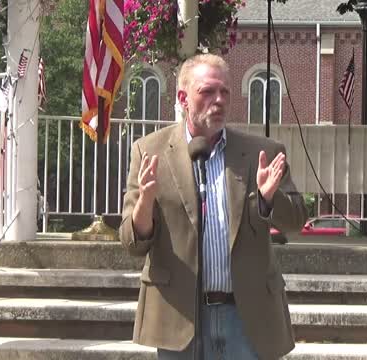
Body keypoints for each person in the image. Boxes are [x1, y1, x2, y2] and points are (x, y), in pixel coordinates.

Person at [119, 53, 308, 360]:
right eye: (207, 92)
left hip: (247, 316)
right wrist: (145, 202)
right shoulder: (149, 151)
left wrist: (267, 199)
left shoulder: (262, 152)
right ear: (182, 98)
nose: (218, 100)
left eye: (225, 92)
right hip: (179, 316)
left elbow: (296, 220)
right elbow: (132, 242)